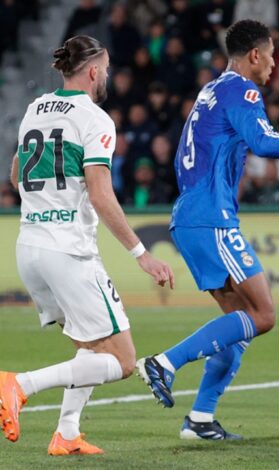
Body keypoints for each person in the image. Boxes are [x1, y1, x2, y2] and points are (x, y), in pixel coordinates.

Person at [135, 20, 279, 440]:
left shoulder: (210, 90)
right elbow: (265, 141)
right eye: (270, 55)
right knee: (264, 315)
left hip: (192, 215)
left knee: (240, 322)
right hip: (211, 217)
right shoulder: (242, 90)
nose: (273, 65)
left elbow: (184, 155)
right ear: (254, 55)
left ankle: (199, 420)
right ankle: (164, 362)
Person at [0, 36, 174, 455]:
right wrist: (141, 253)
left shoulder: (34, 109)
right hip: (69, 252)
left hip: (31, 248)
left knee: (89, 345)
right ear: (94, 70)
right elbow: (100, 194)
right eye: (107, 68)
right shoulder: (94, 119)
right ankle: (19, 385)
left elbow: (15, 177)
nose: (108, 75)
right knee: (122, 360)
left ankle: (68, 433)